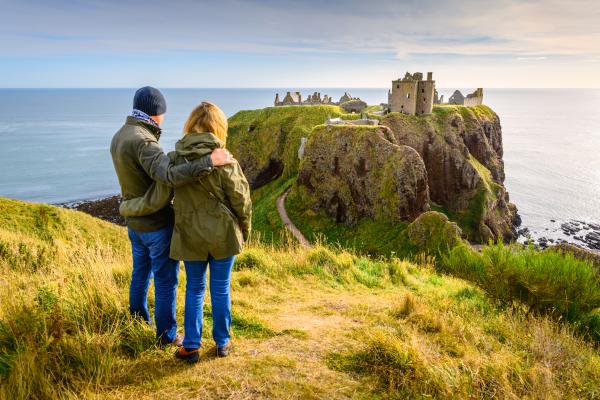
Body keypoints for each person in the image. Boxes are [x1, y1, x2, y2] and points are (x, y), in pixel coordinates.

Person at [120, 101, 252, 363]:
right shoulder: (224, 158)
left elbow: (162, 194)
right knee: (221, 288)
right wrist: (244, 229)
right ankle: (222, 342)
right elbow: (241, 200)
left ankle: (191, 345)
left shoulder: (174, 159)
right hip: (223, 234)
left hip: (189, 235)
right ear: (218, 127)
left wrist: (129, 206)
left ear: (190, 125)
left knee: (194, 288)